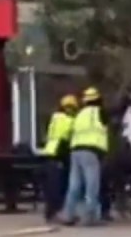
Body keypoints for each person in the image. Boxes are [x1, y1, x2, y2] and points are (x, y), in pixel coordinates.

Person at [60, 87, 110, 227]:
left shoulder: (80, 114)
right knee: (92, 185)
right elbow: (112, 115)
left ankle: (68, 215)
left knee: (74, 185)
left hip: (75, 151)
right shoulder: (99, 112)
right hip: (91, 151)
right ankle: (90, 217)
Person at [40, 95, 77, 222]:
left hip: (48, 153)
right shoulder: (71, 121)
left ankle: (50, 213)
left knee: (50, 187)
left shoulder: (54, 118)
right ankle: (57, 212)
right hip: (59, 154)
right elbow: (69, 138)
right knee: (58, 186)